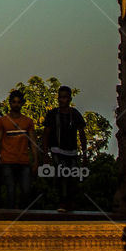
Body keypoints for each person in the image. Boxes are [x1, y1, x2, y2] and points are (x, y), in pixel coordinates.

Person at [0, 89, 38, 209]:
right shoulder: (2, 121)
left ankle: (23, 218)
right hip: (7, 162)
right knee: (10, 192)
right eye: (14, 102)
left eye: (18, 102)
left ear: (22, 104)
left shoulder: (28, 122)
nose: (16, 104)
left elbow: (32, 142)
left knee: (26, 191)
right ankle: (11, 219)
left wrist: (36, 161)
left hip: (23, 161)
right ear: (10, 103)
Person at [43, 85, 88, 213]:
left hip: (72, 152)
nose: (62, 100)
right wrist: (45, 155)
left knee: (72, 177)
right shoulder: (53, 114)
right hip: (57, 150)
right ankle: (62, 201)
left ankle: (70, 201)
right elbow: (46, 134)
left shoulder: (75, 114)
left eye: (64, 97)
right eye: (60, 97)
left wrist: (84, 154)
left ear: (69, 99)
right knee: (62, 174)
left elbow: (82, 134)